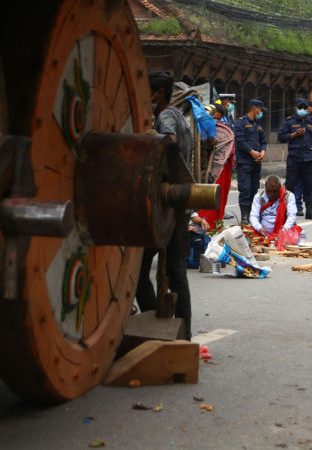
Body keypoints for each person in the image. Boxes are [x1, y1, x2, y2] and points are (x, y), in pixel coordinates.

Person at [136, 71, 194, 339]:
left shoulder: (166, 117)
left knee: (141, 272)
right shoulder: (182, 116)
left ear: (157, 94)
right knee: (175, 271)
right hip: (178, 203)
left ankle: (157, 326)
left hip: (165, 205)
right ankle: (184, 334)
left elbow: (168, 143)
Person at [278, 98, 312, 220]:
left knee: (309, 186)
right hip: (294, 158)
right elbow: (281, 137)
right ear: (295, 108)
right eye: (300, 107)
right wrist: (294, 135)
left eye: (304, 108)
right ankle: (287, 211)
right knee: (290, 186)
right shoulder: (289, 121)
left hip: (309, 158)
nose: (302, 110)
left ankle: (310, 211)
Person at [199, 103, 235, 228]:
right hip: (200, 169)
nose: (214, 122)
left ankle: (213, 226)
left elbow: (228, 150)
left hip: (219, 169)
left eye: (218, 119)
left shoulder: (223, 131)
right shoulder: (198, 128)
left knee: (215, 199)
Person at [233, 99, 267, 225]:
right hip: (245, 162)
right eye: (261, 109)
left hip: (256, 163)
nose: (261, 112)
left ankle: (253, 214)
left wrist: (262, 152)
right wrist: (252, 152)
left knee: (254, 189)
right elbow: (240, 141)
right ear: (255, 108)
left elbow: (264, 141)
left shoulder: (259, 124)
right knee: (245, 189)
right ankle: (244, 216)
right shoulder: (240, 123)